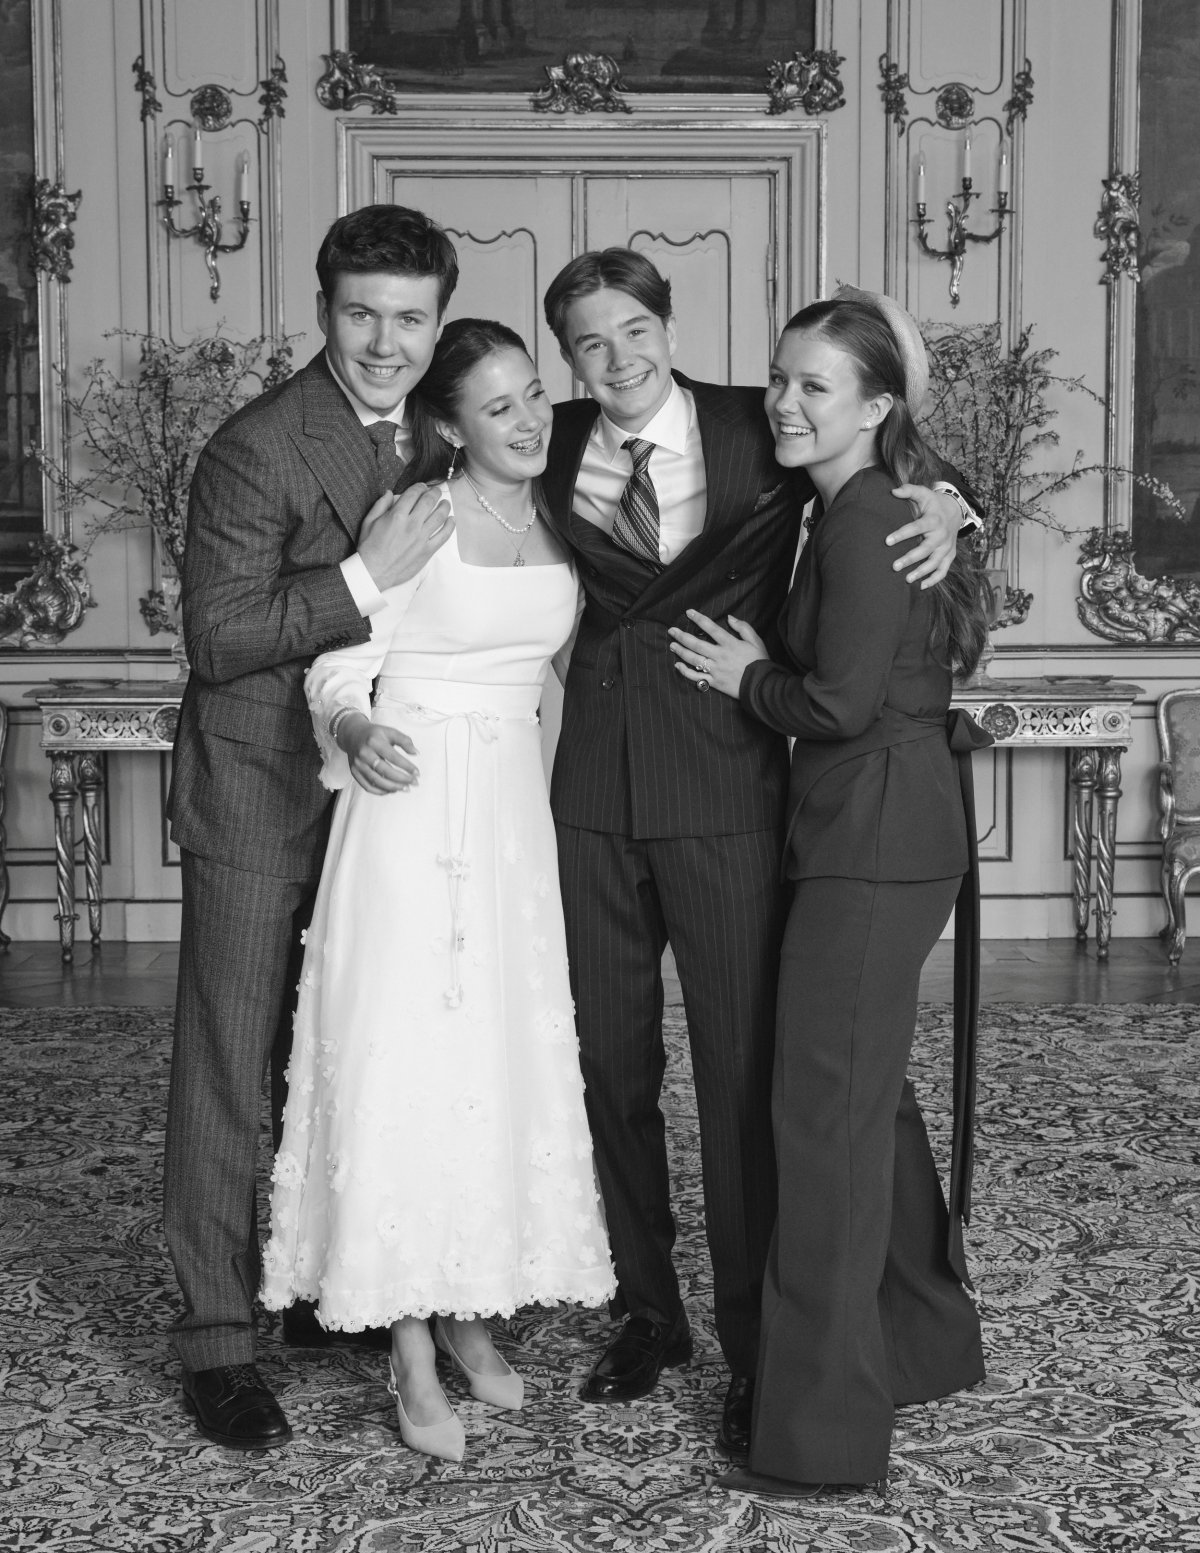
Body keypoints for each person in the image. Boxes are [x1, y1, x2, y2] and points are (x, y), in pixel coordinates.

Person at [539, 249, 977, 1457]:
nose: (618, 359)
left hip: (738, 796)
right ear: (567, 358)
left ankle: (759, 1346)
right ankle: (648, 1310)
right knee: (608, 1068)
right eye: (589, 342)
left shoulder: (759, 429)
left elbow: (896, 461)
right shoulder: (547, 437)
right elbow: (435, 454)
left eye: (635, 330)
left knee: (754, 1082)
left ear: (670, 328)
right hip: (593, 796)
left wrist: (957, 504)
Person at [258, 318, 615, 1463]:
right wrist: (357, 729)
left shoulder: (566, 510)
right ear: (451, 427)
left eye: (534, 395)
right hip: (407, 804)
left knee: (490, 1060)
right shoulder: (417, 516)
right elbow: (337, 660)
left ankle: (467, 1305)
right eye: (499, 406)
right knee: (401, 1059)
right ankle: (408, 1342)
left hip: (512, 816)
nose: (529, 419)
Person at [667, 288, 991, 1495]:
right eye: (781, 377)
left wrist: (750, 677)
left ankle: (818, 1431)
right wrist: (956, 499)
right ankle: (924, 1341)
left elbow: (840, 706)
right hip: (879, 829)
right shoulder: (864, 502)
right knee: (866, 1101)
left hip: (874, 835)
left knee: (822, 1120)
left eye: (816, 385)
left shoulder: (864, 519)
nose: (786, 402)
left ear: (876, 405)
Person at [164, 205, 460, 1450]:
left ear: (439, 321)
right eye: (361, 315)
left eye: (410, 318)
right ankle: (216, 1340)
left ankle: (313, 1284)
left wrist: (937, 496)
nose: (386, 343)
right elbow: (218, 635)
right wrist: (360, 578)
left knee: (344, 1054)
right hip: (261, 787)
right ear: (324, 310)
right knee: (231, 1068)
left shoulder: (450, 429)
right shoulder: (256, 445)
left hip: (391, 803)